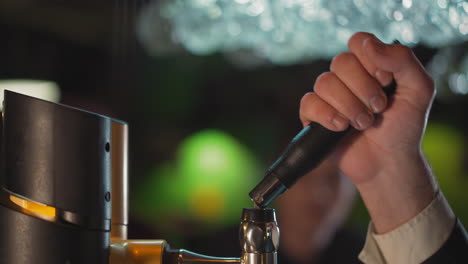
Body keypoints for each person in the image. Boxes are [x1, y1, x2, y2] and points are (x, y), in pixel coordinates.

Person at [188, 32, 468, 263]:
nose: (321, 194)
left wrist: (390, 169)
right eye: (308, 177)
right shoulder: (216, 251)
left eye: (333, 179)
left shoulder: (357, 254)